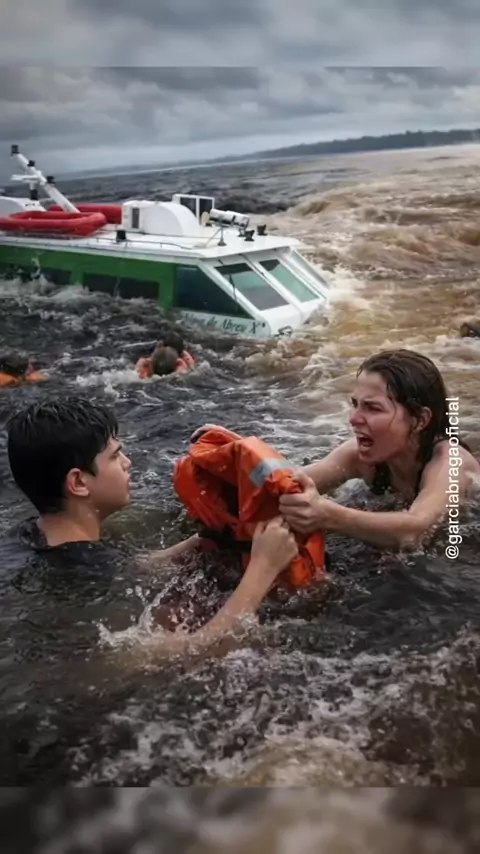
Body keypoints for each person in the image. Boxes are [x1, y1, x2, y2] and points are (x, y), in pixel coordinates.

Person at [6, 397, 297, 652]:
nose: (128, 463)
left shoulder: (33, 539)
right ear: (78, 482)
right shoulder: (87, 589)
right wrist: (264, 568)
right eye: (115, 455)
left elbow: (118, 567)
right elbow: (188, 653)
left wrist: (203, 541)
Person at [194, 349, 480, 551]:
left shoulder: (450, 462)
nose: (354, 419)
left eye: (373, 408)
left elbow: (416, 531)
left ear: (420, 420)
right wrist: (238, 454)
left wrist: (328, 515)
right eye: (355, 404)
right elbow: (283, 486)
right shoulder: (359, 456)